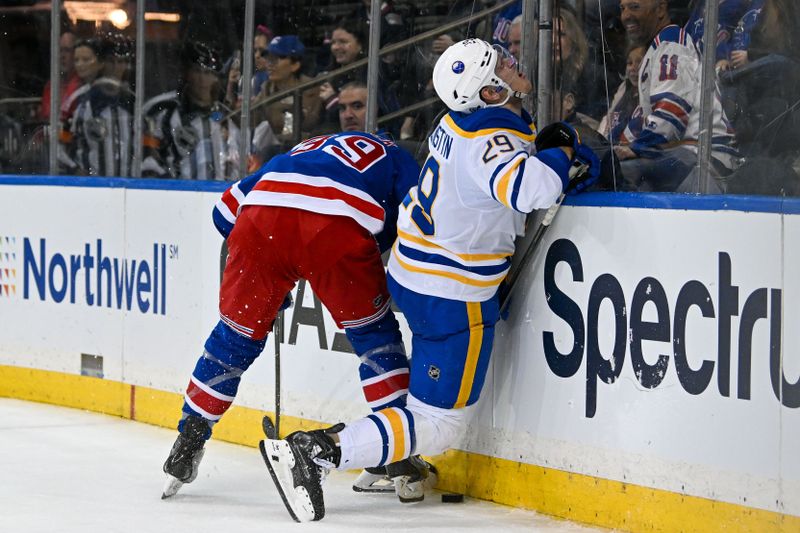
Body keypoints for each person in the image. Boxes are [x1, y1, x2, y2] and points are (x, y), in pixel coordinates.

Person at [259, 38, 601, 523]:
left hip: (414, 273)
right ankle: (319, 450)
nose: (513, 63)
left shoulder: (455, 120)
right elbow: (532, 188)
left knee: (424, 400)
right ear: (489, 92)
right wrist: (563, 152)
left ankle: (379, 453)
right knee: (439, 425)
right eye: (501, 64)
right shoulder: (492, 141)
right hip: (450, 296)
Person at [161, 130, 424, 500]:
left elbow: (224, 213)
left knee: (233, 340)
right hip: (336, 231)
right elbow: (421, 218)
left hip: (260, 223)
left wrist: (268, 269)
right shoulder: (400, 158)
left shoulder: (305, 148)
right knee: (375, 338)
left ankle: (190, 434)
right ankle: (399, 454)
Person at [614, 0, 738, 192]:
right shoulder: (658, 47)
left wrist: (638, 147)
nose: (626, 15)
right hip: (686, 154)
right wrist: (612, 147)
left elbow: (672, 109)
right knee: (614, 168)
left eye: (635, 7)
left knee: (622, 174)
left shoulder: (672, 42)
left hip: (703, 156)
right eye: (623, 9)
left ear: (661, 9)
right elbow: (644, 118)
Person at [142, 41, 240, 180]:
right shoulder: (162, 110)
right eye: (197, 70)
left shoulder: (228, 117)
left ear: (217, 78)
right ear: (186, 72)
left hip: (221, 197)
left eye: (208, 72)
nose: (202, 79)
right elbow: (148, 163)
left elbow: (238, 163)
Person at [61, 32, 135, 177]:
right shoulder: (78, 100)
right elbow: (60, 144)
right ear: (102, 63)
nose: (116, 67)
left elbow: (144, 147)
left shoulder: (133, 101)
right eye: (111, 61)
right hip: (91, 188)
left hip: (130, 187)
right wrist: (76, 170)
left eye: (121, 61)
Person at [249, 35, 322, 161]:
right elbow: (251, 121)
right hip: (283, 151)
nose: (270, 64)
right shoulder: (266, 89)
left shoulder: (312, 88)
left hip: (311, 152)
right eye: (269, 58)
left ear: (295, 65)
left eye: (277, 58)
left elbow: (305, 126)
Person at [40, 31, 82, 122]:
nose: (62, 55)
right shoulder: (50, 86)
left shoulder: (82, 85)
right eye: (60, 50)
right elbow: (44, 118)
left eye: (67, 50)